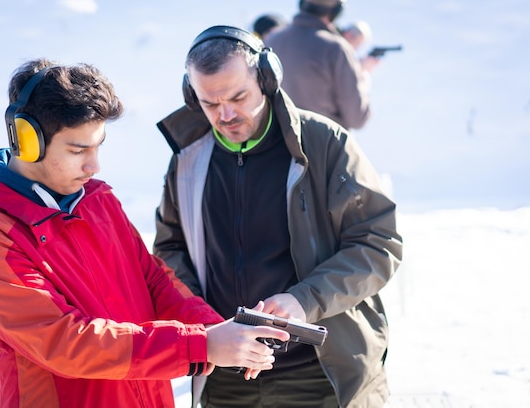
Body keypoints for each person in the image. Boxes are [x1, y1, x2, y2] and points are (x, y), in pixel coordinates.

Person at [0, 58, 291, 408]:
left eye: (98, 146)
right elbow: (64, 342)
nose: (94, 166)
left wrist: (216, 329)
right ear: (27, 141)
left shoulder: (97, 200)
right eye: (78, 150)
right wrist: (200, 345)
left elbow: (154, 281)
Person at [154, 25, 403, 407]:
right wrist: (207, 325)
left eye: (239, 96)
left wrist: (305, 300)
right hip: (224, 376)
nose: (225, 114)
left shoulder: (325, 144)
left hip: (319, 374)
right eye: (210, 103)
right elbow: (170, 250)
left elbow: (378, 244)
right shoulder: (187, 160)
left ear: (267, 78)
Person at [264, 0, 375, 130]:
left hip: (280, 143)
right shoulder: (337, 49)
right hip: (325, 146)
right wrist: (363, 76)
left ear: (303, 3)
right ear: (338, 9)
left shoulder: (272, 40)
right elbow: (357, 119)